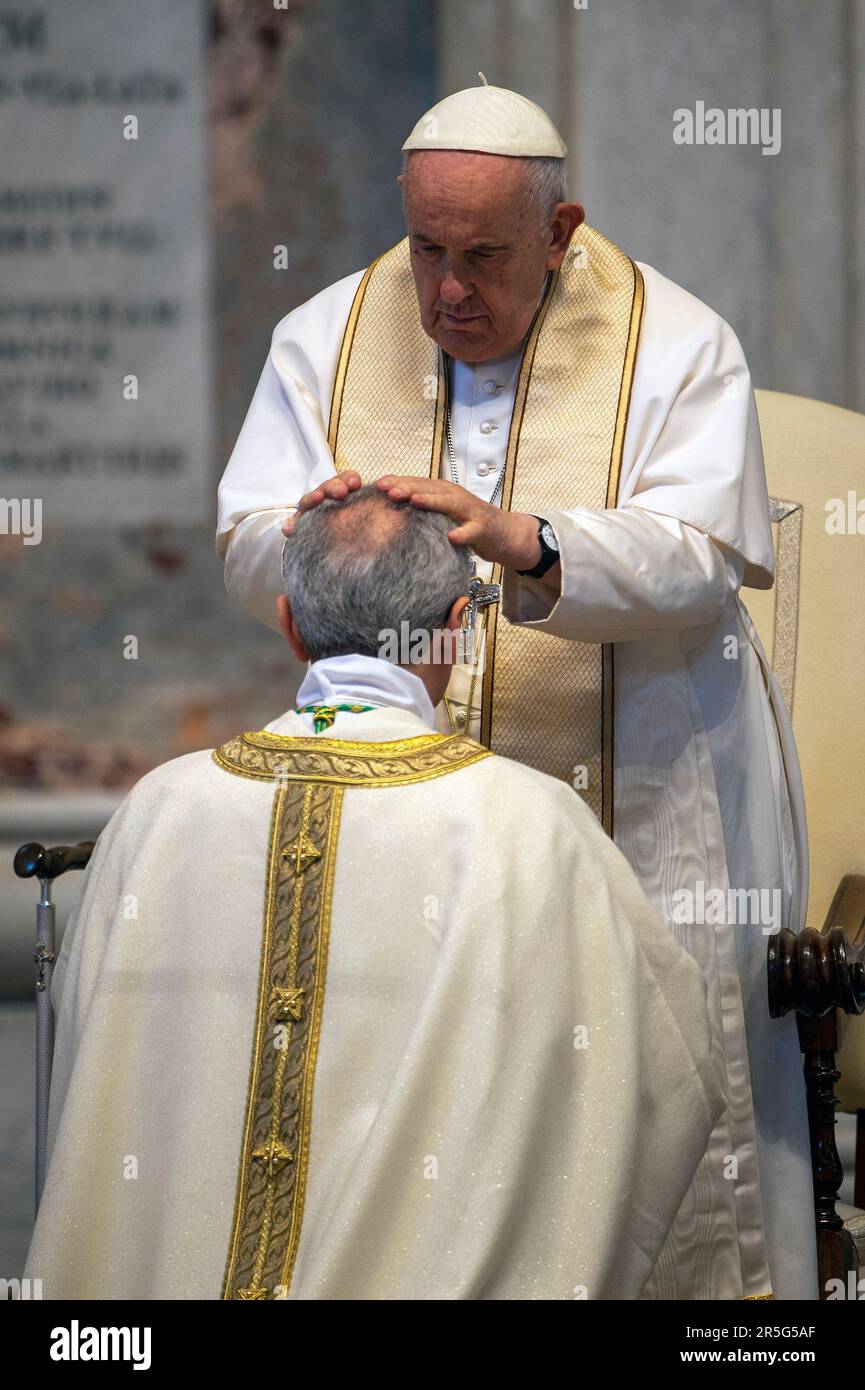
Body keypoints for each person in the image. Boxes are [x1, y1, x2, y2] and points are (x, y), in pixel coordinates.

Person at [215, 79, 816, 1300]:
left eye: (484, 256)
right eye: (426, 248)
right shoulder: (323, 334)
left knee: (649, 1103)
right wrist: (325, 536)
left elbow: (702, 560)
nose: (444, 290)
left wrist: (527, 540)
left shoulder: (678, 342)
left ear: (560, 229)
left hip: (640, 789)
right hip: (406, 828)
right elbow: (241, 532)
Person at [23, 487, 721, 1301]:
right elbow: (665, 1066)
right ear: (461, 626)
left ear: (288, 623)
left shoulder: (161, 805)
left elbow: (87, 1061)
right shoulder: (528, 824)